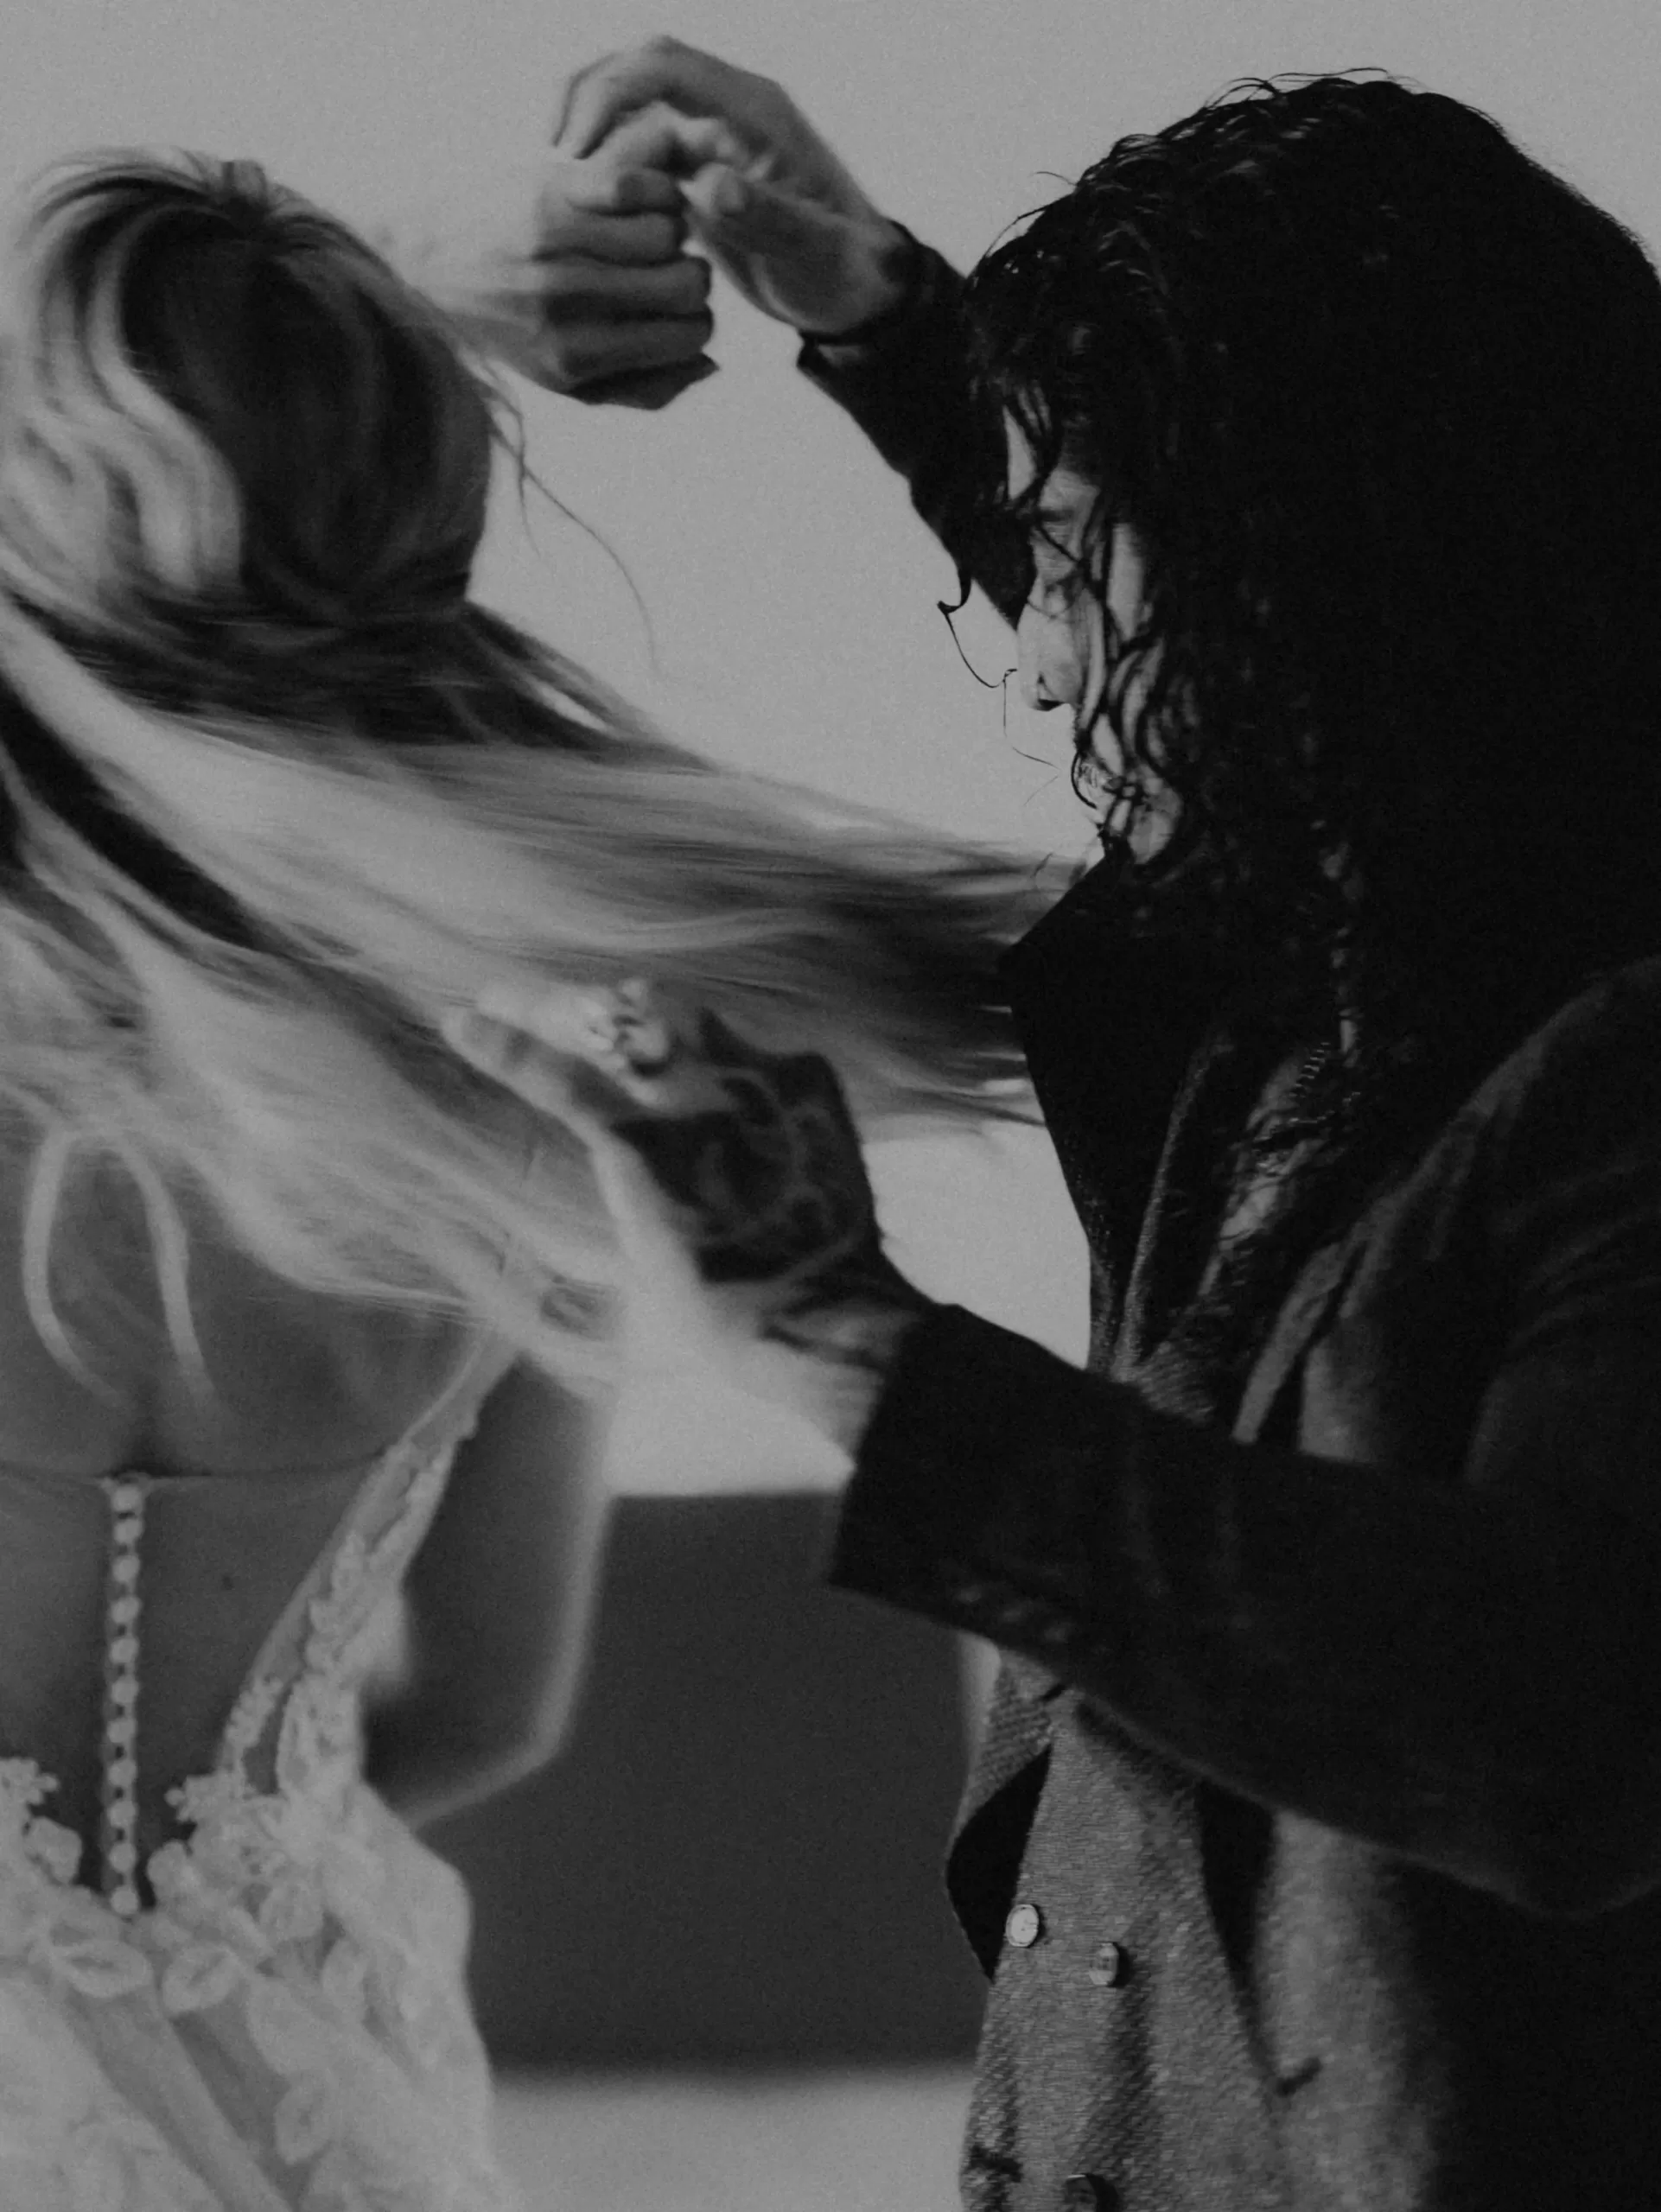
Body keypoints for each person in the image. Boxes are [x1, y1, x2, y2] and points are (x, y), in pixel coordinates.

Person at [447, 41, 1661, 2212]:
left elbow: (1560, 1722)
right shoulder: (1315, 923)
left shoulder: (1615, 1073)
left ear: (1340, 570)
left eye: (1086, 564)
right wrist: (871, 314)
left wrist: (850, 1341)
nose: (1035, 666)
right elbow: (1214, 585)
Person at [0, 142, 1053, 2208]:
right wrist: (213, 1869)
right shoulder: (516, 1096)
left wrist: (407, 287)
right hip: (305, 2076)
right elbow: (486, 1703)